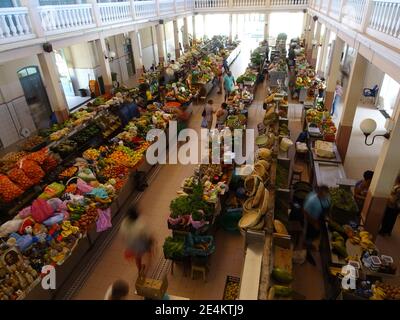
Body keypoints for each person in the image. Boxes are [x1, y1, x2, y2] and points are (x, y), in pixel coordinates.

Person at [302, 185, 331, 265]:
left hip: (320, 219)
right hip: (312, 220)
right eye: (323, 194)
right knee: (310, 235)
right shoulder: (312, 200)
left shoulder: (327, 197)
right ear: (319, 192)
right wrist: (314, 223)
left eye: (326, 194)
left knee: (317, 234)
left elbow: (328, 207)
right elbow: (305, 212)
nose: (325, 195)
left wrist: (328, 216)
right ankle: (307, 252)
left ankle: (311, 243)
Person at [120, 207, 154, 273]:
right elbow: (147, 234)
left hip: (131, 245)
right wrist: (152, 240)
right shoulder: (140, 224)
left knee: (137, 257)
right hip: (141, 243)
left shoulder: (124, 223)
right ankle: (149, 263)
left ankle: (139, 269)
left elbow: (123, 236)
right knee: (149, 251)